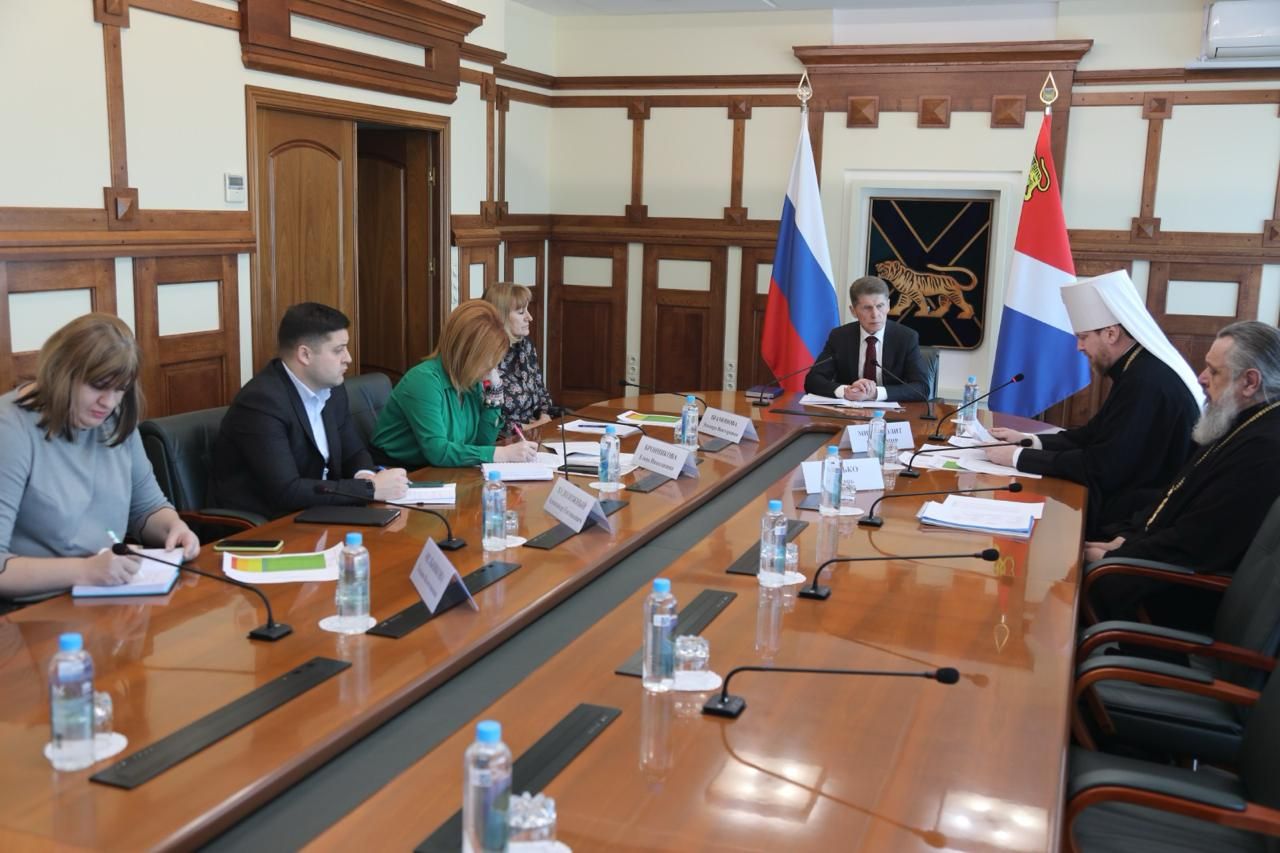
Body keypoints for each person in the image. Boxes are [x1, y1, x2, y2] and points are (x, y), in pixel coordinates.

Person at [1085, 321, 1280, 622]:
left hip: (1181, 594)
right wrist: (1124, 540)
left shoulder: (1264, 449)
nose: (1202, 378)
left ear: (1250, 382)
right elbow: (1174, 498)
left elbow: (1200, 540)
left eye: (1214, 371)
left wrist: (1113, 557)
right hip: (1160, 562)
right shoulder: (1239, 421)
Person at [985, 270, 1203, 538]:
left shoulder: (1146, 381)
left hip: (1135, 517)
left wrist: (1017, 457)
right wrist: (1028, 440)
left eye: (1083, 337)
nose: (1079, 347)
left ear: (1111, 334)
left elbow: (1103, 467)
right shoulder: (1138, 368)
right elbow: (1093, 435)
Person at [0, 314, 199, 598]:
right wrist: (84, 571)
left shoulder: (114, 417)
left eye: (120, 389)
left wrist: (173, 528)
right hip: (32, 608)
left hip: (105, 593)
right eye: (97, 386)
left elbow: (147, 508)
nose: (109, 402)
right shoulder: (10, 429)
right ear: (60, 372)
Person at [211, 303, 408, 519]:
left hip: (319, 512)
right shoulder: (261, 403)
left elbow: (354, 452)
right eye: (339, 350)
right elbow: (286, 491)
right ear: (305, 355)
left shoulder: (332, 389)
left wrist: (366, 477)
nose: (348, 358)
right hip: (270, 522)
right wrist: (369, 489)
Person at [372, 300, 538, 468]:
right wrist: (501, 454)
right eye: (488, 359)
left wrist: (494, 393)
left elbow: (481, 444)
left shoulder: (471, 380)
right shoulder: (423, 381)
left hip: (441, 470)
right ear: (465, 352)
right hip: (397, 471)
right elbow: (438, 452)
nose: (492, 367)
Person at [804, 275, 930, 403]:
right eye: (867, 308)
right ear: (853, 311)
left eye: (880, 306)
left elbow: (922, 388)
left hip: (892, 412)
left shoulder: (906, 338)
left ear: (888, 305)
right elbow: (813, 381)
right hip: (849, 410)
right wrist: (845, 391)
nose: (875, 314)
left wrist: (875, 393)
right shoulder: (840, 337)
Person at [482, 282, 554, 437]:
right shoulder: (483, 356)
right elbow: (484, 418)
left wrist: (544, 416)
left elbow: (541, 392)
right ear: (500, 317)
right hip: (500, 440)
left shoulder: (524, 345)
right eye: (521, 312)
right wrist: (525, 428)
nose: (530, 317)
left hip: (535, 433)